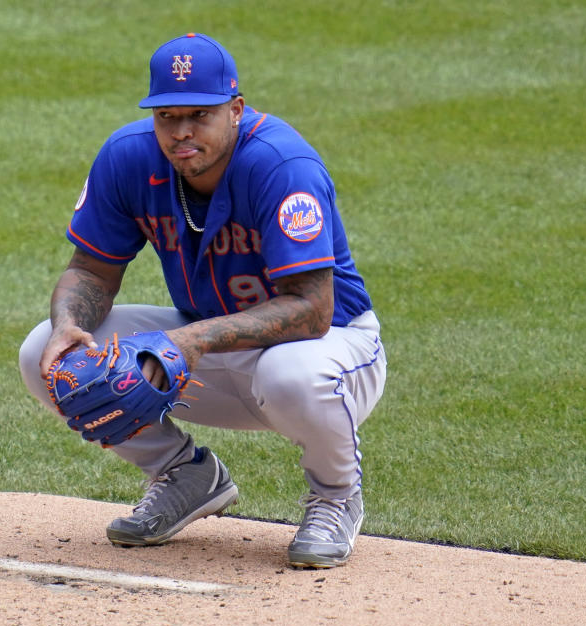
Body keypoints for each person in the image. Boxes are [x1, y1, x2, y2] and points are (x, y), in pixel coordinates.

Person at [19, 33, 386, 568]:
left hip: (330, 350)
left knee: (290, 374)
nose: (182, 131)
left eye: (200, 114)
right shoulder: (128, 159)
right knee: (44, 354)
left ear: (235, 110)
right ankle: (184, 474)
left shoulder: (281, 165)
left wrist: (192, 339)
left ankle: (335, 497)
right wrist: (68, 324)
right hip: (207, 348)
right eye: (167, 116)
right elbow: (90, 271)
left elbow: (313, 309)